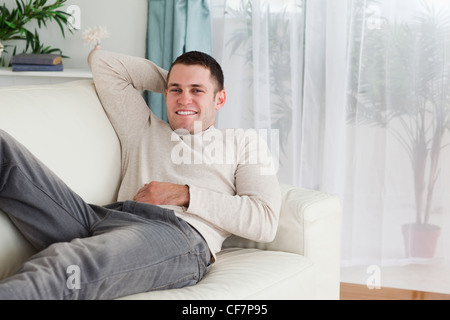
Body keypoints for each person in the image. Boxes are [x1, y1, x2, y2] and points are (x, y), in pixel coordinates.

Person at [0, 48, 281, 300]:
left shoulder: (244, 142)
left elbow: (265, 221)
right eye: (175, 90)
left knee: (67, 263)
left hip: (175, 235)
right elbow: (104, 62)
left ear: (220, 99)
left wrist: (184, 194)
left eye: (198, 90)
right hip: (101, 218)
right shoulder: (143, 126)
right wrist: (176, 80)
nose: (184, 99)